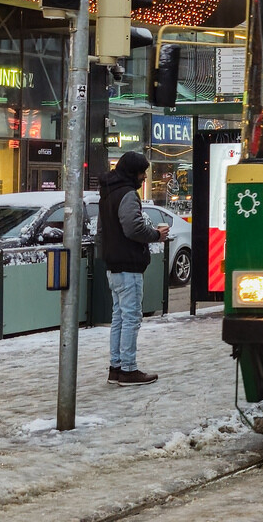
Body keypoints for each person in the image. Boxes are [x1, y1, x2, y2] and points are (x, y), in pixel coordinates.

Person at [98, 152, 169, 385]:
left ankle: (116, 368)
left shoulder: (108, 193)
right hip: (129, 265)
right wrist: (156, 235)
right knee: (131, 318)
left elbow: (102, 231)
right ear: (132, 172)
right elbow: (133, 228)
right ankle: (128, 369)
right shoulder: (127, 194)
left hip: (114, 265)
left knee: (119, 317)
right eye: (142, 172)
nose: (145, 177)